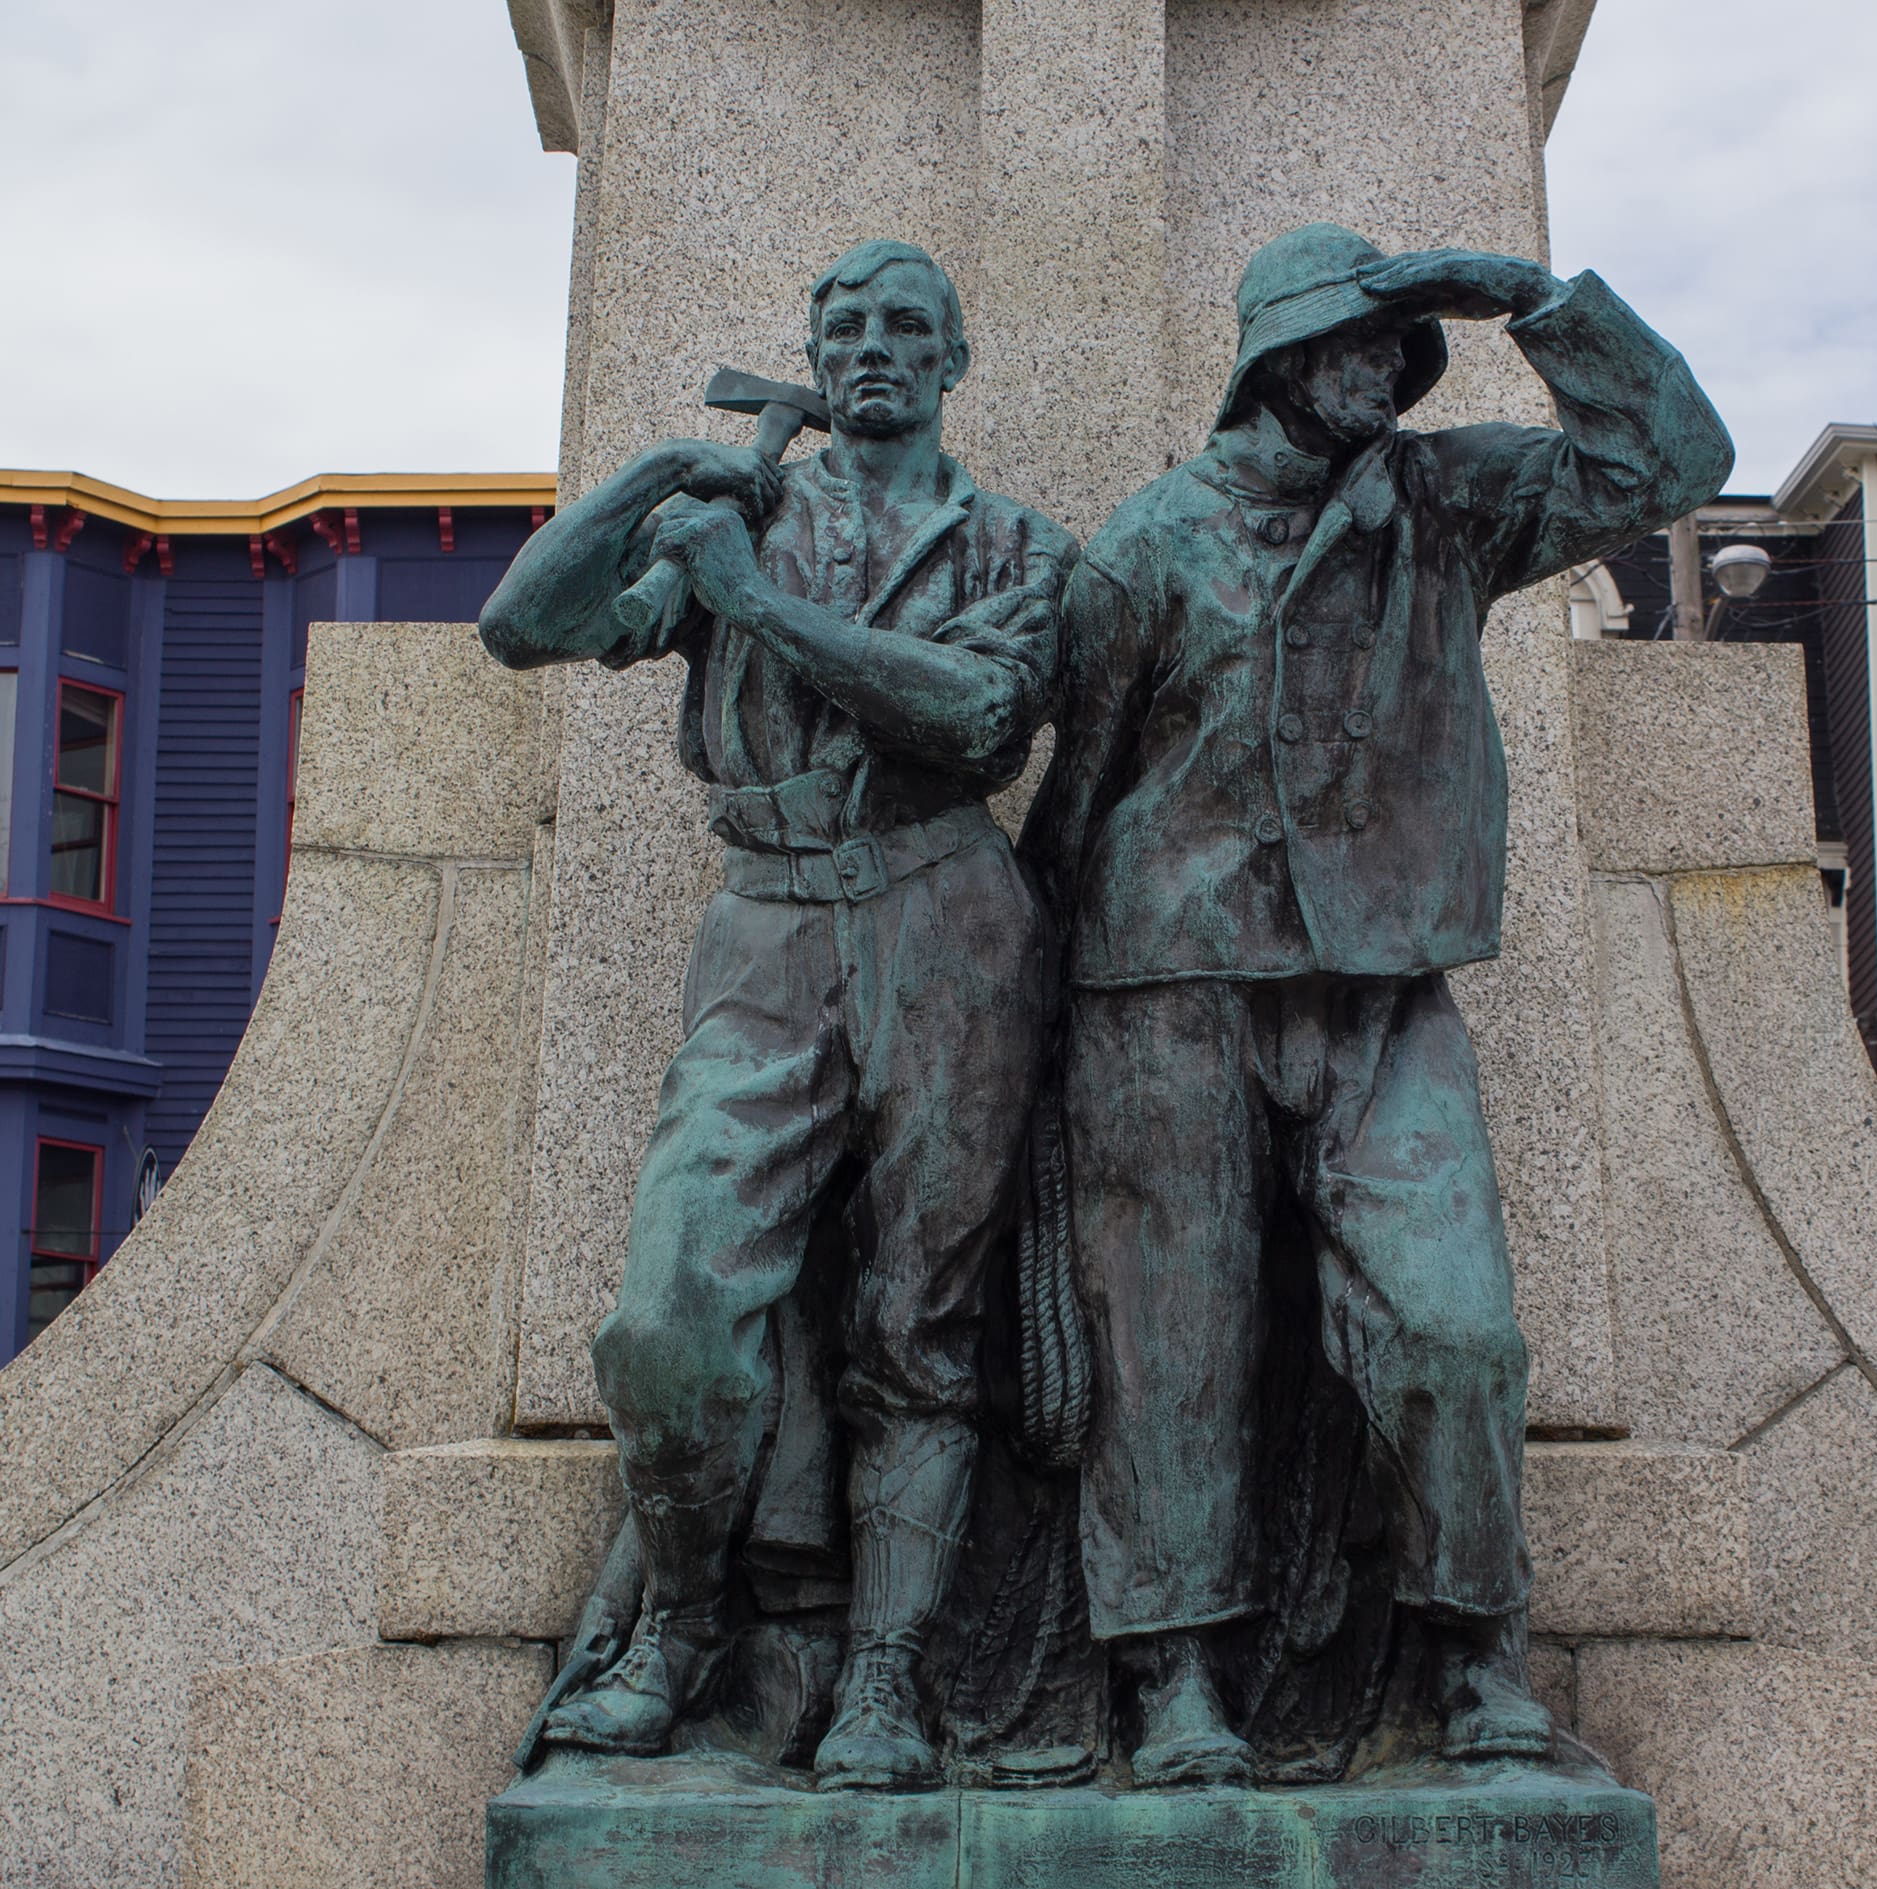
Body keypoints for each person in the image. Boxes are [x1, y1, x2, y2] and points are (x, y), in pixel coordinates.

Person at [1024, 222, 1733, 1784]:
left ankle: (1479, 1655)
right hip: (1167, 978)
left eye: (1398, 344)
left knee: (1459, 1327)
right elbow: (1074, 798)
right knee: (1171, 1338)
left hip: (1383, 981)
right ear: (1276, 357)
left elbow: (1672, 456)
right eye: (1356, 339)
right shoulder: (1146, 543)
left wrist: (1541, 307)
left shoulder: (1449, 500)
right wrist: (1036, 1025)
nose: (1386, 364)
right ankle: (1175, 1679)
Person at [479, 239, 1076, 1788]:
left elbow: (973, 718)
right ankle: (677, 1629)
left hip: (948, 914)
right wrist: (652, 480)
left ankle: (884, 1677)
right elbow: (522, 626)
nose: (873, 348)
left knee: (919, 1324)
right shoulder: (742, 511)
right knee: (669, 1319)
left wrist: (757, 605)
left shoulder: (1015, 543)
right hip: (765, 919)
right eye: (844, 327)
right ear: (814, 360)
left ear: (953, 359)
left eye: (904, 328)